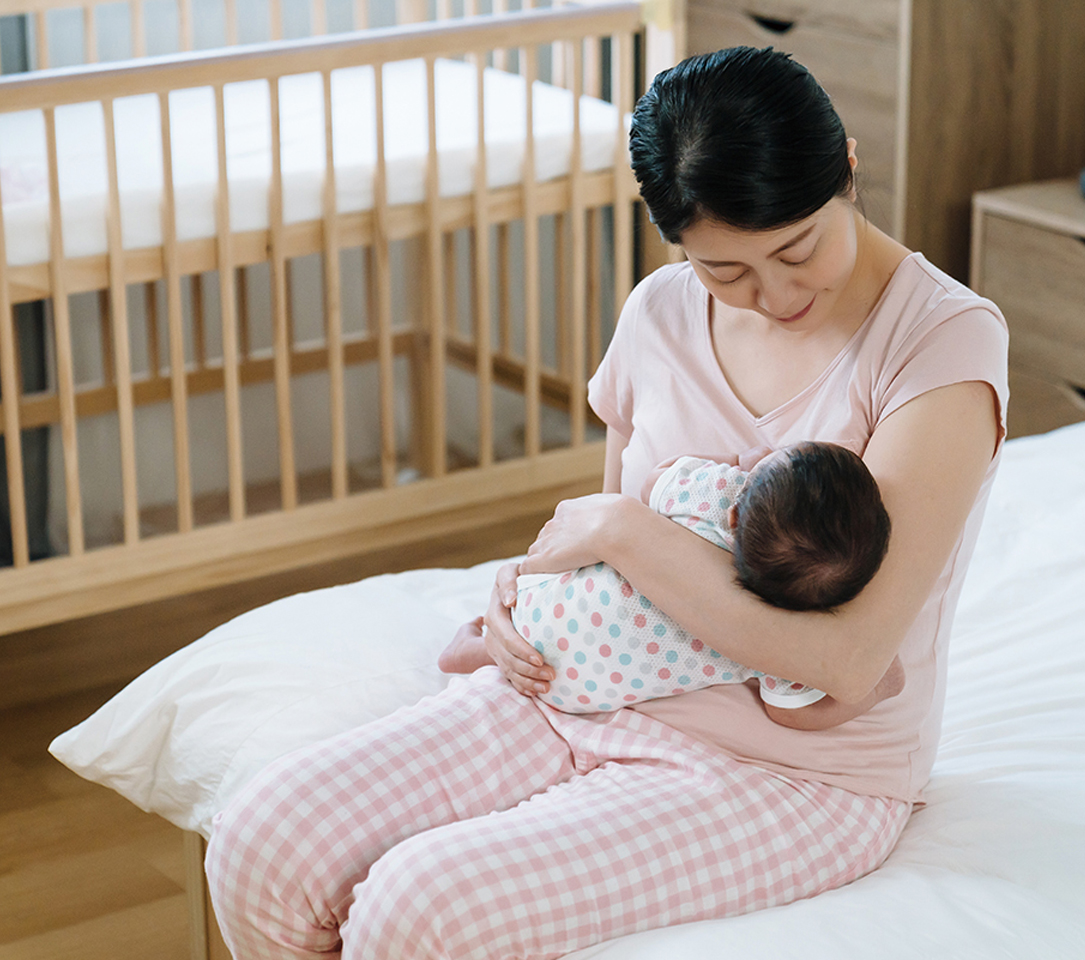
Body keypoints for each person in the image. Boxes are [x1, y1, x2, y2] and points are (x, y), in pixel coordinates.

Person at [204, 46, 1008, 960]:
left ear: (850, 172)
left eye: (798, 248)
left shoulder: (939, 343)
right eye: (725, 271)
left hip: (799, 771)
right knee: (262, 841)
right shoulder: (660, 312)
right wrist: (526, 596)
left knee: (421, 912)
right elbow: (614, 564)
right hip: (595, 691)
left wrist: (620, 531)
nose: (776, 295)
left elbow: (848, 659)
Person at [440, 440, 903, 726]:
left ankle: (473, 649)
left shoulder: (711, 500)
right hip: (584, 693)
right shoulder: (787, 640)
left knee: (523, 630)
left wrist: (736, 462)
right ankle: (480, 652)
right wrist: (880, 688)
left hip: (547, 608)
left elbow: (656, 479)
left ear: (737, 513)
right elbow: (789, 714)